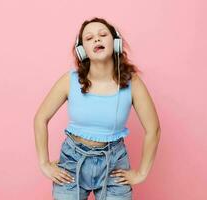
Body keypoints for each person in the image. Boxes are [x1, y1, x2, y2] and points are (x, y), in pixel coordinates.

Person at [34, 17, 161, 200]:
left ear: (116, 43)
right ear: (81, 50)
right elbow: (40, 118)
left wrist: (142, 173)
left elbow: (153, 129)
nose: (97, 39)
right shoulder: (69, 80)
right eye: (89, 38)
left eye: (103, 35)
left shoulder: (132, 82)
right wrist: (44, 163)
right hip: (72, 161)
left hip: (114, 162)